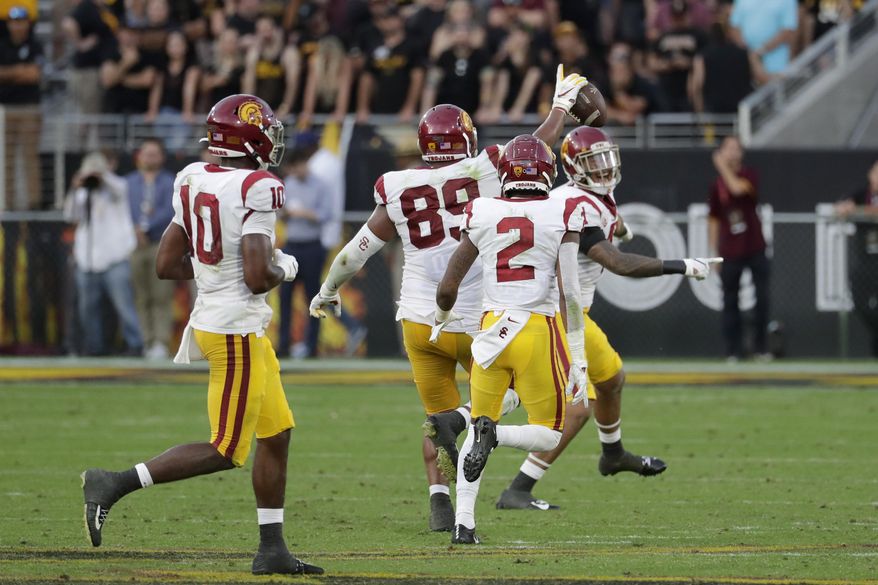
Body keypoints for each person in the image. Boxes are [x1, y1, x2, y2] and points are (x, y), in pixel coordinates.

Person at [309, 68, 590, 532]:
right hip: (480, 318)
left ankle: (441, 502)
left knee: (433, 416)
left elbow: (356, 251)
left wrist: (326, 291)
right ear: (466, 139)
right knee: (510, 396)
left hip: (419, 321)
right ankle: (466, 423)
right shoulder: (483, 171)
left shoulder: (398, 186)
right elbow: (533, 150)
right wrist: (560, 107)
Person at [80, 94, 323, 576]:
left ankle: (271, 548)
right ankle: (113, 483)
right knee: (227, 448)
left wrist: (217, 268)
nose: (273, 139)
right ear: (248, 137)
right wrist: (284, 267)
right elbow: (257, 277)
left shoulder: (192, 176)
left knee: (276, 433)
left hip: (229, 322)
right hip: (233, 329)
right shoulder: (258, 185)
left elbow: (167, 263)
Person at [496, 127, 720, 510]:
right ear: (572, 168)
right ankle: (516, 486)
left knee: (612, 379)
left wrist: (619, 226)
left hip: (572, 313)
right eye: (592, 162)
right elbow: (616, 263)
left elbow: (605, 222)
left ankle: (612, 454)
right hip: (556, 315)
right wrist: (680, 265)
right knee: (578, 407)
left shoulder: (590, 197)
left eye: (605, 159)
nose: (603, 169)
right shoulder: (575, 206)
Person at [431, 133, 588, 544]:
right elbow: (571, 293)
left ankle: (464, 526)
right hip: (537, 330)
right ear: (547, 172)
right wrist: (580, 359)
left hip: (490, 332)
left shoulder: (481, 210)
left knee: (479, 422)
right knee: (551, 432)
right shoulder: (562, 209)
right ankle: (495, 435)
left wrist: (441, 318)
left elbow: (448, 287)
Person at [63, 151, 144, 356]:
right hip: (87, 259)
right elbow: (70, 215)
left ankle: (135, 345)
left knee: (123, 305)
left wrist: (101, 175)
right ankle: (94, 346)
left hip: (115, 257)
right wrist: (75, 188)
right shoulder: (83, 192)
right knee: (87, 308)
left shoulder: (117, 185)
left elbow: (117, 190)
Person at [708, 136, 770, 361]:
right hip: (730, 251)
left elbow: (737, 189)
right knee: (730, 300)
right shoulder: (716, 185)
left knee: (762, 298)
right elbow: (714, 219)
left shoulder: (749, 175)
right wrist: (714, 251)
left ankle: (760, 347)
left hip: (755, 246)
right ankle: (732, 350)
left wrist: (721, 166)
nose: (733, 152)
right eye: (728, 148)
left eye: (737, 148)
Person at [277, 147, 333, 358]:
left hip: (312, 246)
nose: (298, 169)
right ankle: (283, 345)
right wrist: (285, 214)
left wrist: (304, 213)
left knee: (313, 299)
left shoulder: (320, 185)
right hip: (291, 246)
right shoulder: (288, 185)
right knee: (285, 298)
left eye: (301, 164)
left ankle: (311, 347)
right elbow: (282, 216)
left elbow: (326, 215)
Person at [126, 138, 176, 360]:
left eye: (155, 154)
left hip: (160, 243)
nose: (150, 158)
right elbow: (122, 209)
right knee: (141, 296)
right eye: (147, 154)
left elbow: (169, 211)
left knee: (161, 295)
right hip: (134, 245)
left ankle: (161, 342)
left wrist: (145, 228)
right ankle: (145, 340)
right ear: (139, 156)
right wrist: (134, 230)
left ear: (162, 157)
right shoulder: (128, 182)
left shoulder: (170, 181)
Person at [835, 160, 878, 357]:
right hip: (866, 262)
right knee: (861, 303)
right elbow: (841, 207)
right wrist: (849, 208)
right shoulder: (862, 194)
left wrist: (866, 212)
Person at [730, 0, 797, 75]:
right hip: (746, 68)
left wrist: (760, 52)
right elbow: (734, 27)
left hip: (776, 67)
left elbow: (788, 31)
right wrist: (749, 54)